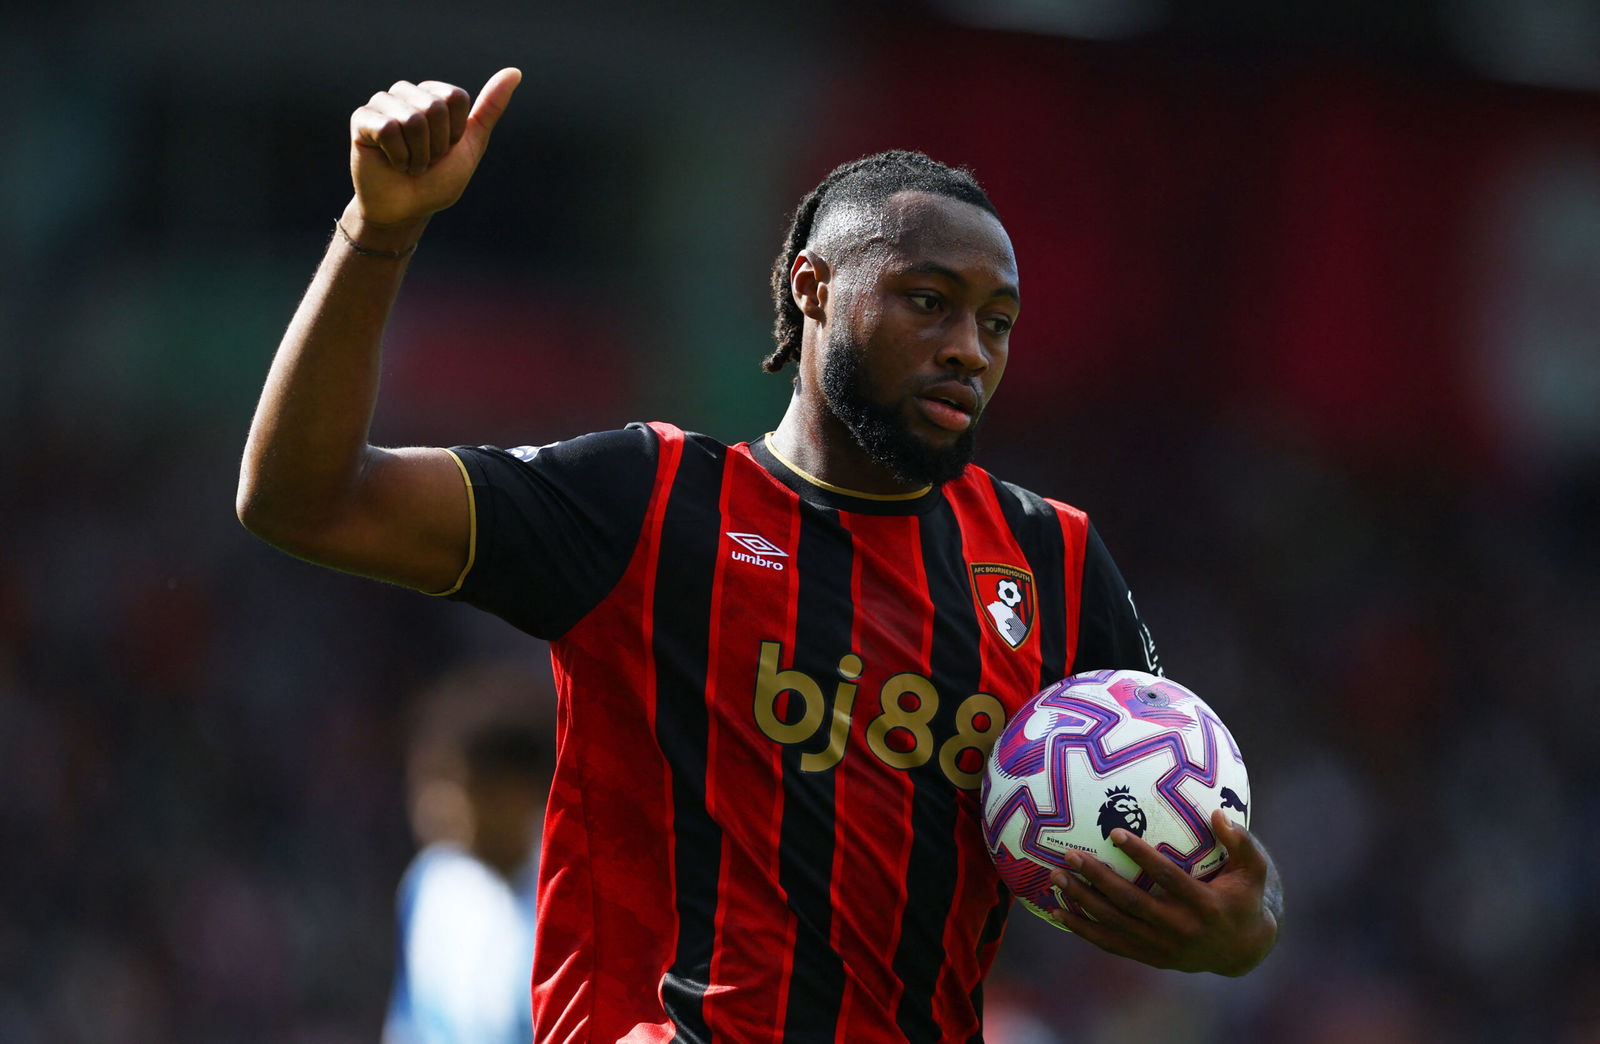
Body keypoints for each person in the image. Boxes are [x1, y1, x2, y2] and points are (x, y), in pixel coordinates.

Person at [237, 68, 1283, 1042]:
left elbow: (1210, 844)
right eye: (929, 301)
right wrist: (377, 232)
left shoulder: (1052, 560)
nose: (970, 346)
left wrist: (1242, 926)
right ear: (813, 286)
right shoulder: (648, 504)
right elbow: (304, 501)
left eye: (997, 321)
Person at [385, 720, 550, 1044]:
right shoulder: (430, 885)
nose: (434, 808)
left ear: (516, 794)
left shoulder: (571, 895)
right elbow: (408, 1021)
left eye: (459, 787)